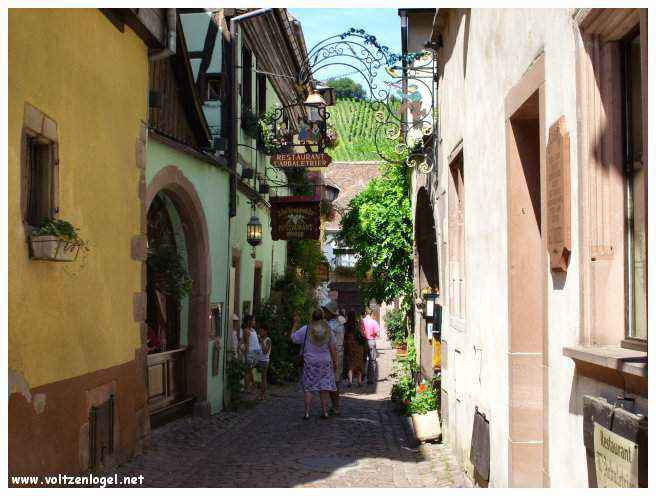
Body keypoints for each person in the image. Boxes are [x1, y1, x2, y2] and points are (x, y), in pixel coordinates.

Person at [290, 310, 337, 419]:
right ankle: (325, 412)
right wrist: (335, 361)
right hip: (325, 362)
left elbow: (293, 338)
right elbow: (332, 348)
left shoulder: (306, 329)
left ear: (312, 317)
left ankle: (307, 413)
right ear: (323, 317)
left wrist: (295, 325)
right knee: (324, 388)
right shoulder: (328, 329)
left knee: (308, 388)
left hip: (310, 362)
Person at [322, 301, 344, 415]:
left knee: (333, 383)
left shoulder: (331, 325)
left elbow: (329, 343)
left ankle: (336, 407)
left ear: (330, 312)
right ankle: (335, 406)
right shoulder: (338, 323)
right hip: (338, 354)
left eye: (325, 311)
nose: (324, 313)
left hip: (333, 355)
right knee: (335, 382)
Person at [343, 310, 364, 387]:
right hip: (358, 346)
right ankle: (359, 381)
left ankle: (350, 381)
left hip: (350, 346)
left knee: (350, 363)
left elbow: (344, 336)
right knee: (359, 363)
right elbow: (362, 334)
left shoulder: (346, 325)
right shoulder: (357, 325)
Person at [242, 315, 260, 392]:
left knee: (249, 371)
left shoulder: (253, 330)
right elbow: (246, 343)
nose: (254, 322)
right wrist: (246, 352)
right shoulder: (246, 331)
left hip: (255, 353)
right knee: (248, 371)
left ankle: (252, 386)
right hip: (250, 353)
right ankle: (248, 387)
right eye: (253, 320)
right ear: (249, 321)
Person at [361, 308, 380, 384]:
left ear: (365, 313)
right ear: (371, 313)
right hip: (371, 341)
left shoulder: (362, 322)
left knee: (363, 359)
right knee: (372, 360)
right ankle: (370, 379)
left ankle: (361, 376)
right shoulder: (374, 322)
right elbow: (377, 333)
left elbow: (360, 331)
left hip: (363, 341)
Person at [256, 325, 272, 400]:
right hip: (259, 360)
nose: (260, 332)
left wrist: (262, 342)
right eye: (259, 331)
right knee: (260, 378)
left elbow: (265, 351)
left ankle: (263, 395)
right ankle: (260, 394)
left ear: (266, 332)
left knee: (263, 378)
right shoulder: (260, 339)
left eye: (262, 331)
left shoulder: (268, 340)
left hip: (264, 361)